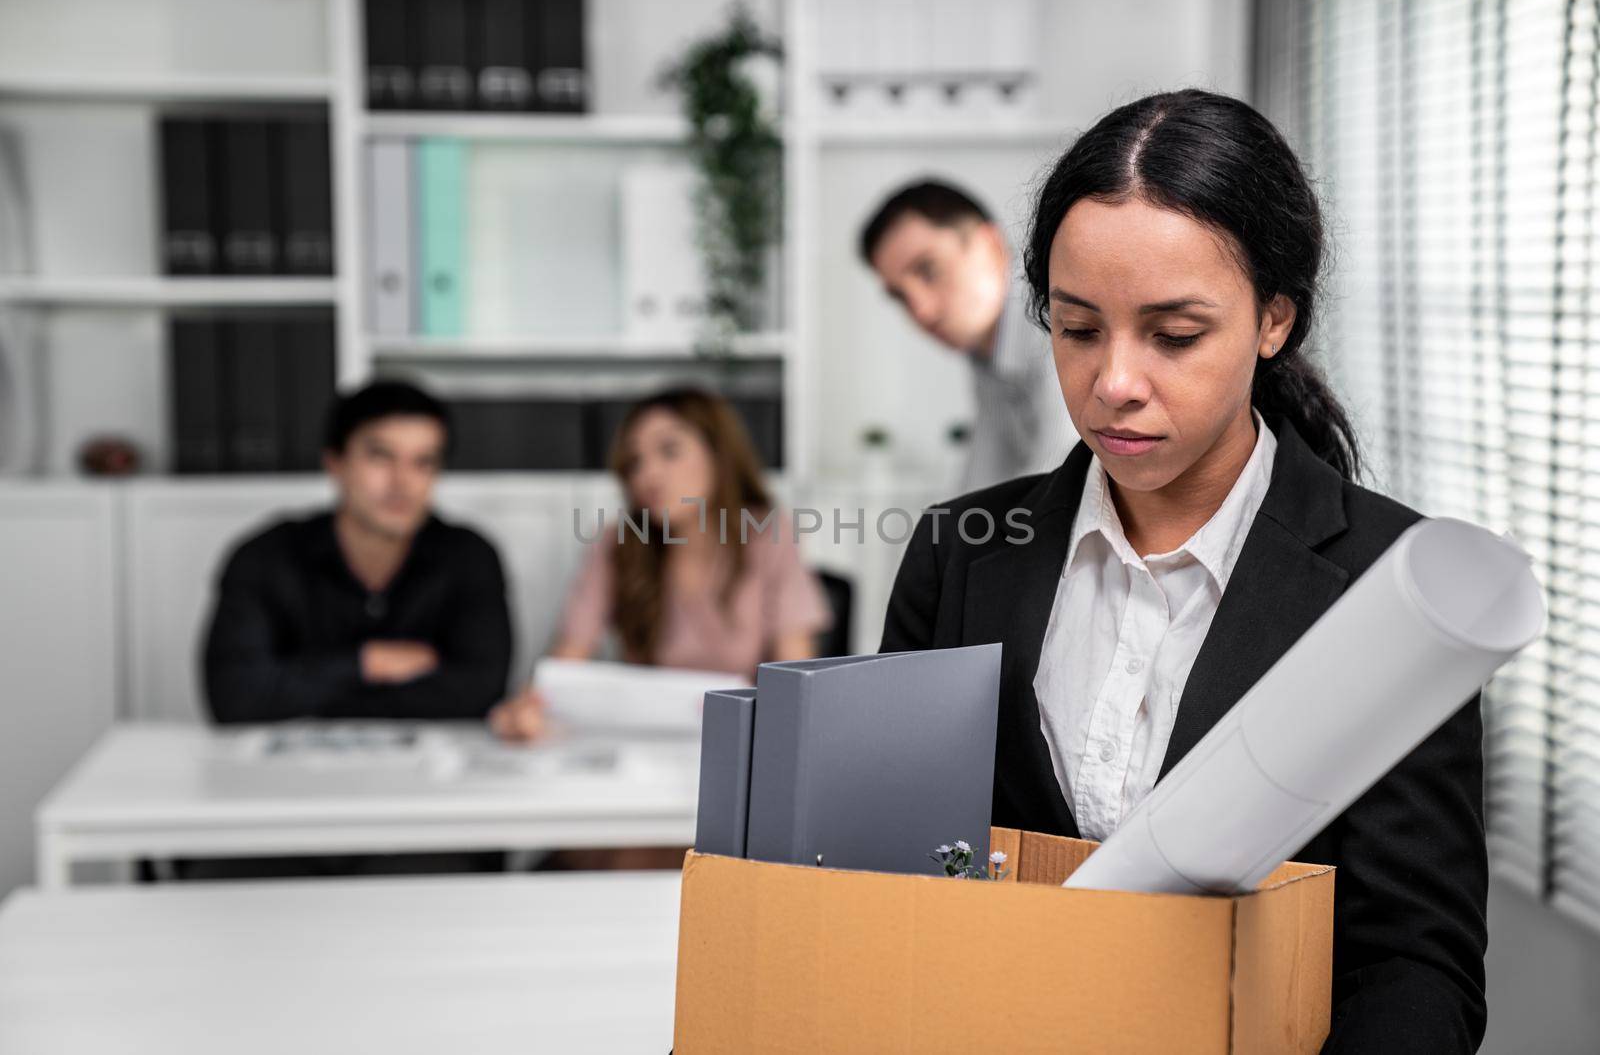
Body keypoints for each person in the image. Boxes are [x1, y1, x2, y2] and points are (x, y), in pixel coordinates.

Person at [880, 89, 1487, 1052]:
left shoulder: (1389, 591)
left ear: (1274, 319)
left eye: (1173, 336)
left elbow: (1413, 965)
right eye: (1078, 329)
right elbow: (897, 886)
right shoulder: (960, 554)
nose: (1114, 381)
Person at [490, 385, 831, 743]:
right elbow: (568, 657)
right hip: (649, 746)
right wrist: (527, 706)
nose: (648, 476)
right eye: (634, 462)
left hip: (745, 741)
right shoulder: (618, 542)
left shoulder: (769, 536)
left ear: (719, 454)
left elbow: (795, 687)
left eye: (670, 451)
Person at [204, 380, 513, 725]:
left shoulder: (469, 557)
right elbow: (234, 697)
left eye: (423, 462)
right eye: (381, 457)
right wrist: (368, 663)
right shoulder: (265, 557)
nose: (402, 482)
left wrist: (306, 688)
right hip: (294, 773)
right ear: (335, 462)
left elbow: (480, 694)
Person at [860, 179, 1077, 490]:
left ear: (989, 245)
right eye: (900, 296)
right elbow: (982, 489)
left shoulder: (1053, 321)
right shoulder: (989, 353)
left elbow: (1057, 494)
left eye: (928, 270)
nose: (920, 311)